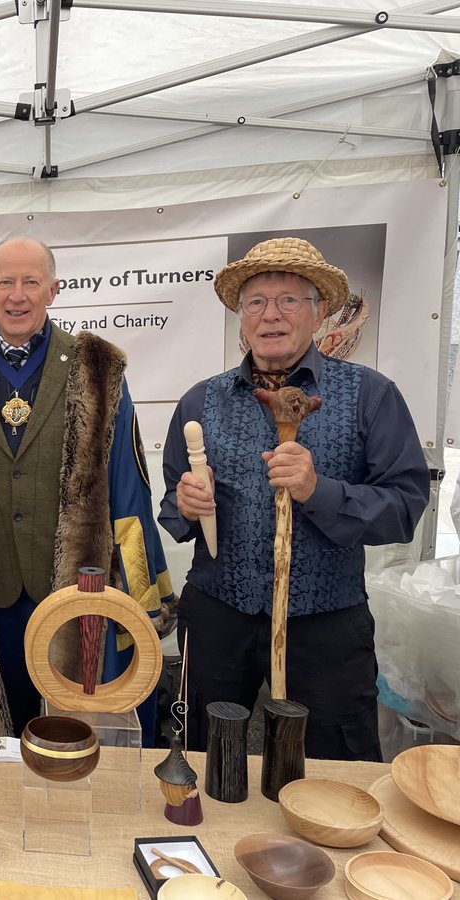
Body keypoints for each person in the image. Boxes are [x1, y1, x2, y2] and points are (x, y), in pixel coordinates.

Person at [159, 237, 429, 761]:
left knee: (335, 764)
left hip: (325, 623)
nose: (271, 315)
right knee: (201, 756)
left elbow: (404, 507)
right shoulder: (202, 400)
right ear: (241, 318)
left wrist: (318, 491)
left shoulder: (369, 394)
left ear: (318, 311)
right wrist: (187, 505)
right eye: (256, 302)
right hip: (219, 615)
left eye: (288, 300)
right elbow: (174, 505)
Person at [0, 236, 173, 739]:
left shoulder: (100, 370)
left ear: (53, 290)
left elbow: (127, 485)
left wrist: (140, 591)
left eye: (31, 282)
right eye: (5, 282)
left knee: (69, 729)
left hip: (74, 587)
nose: (17, 295)